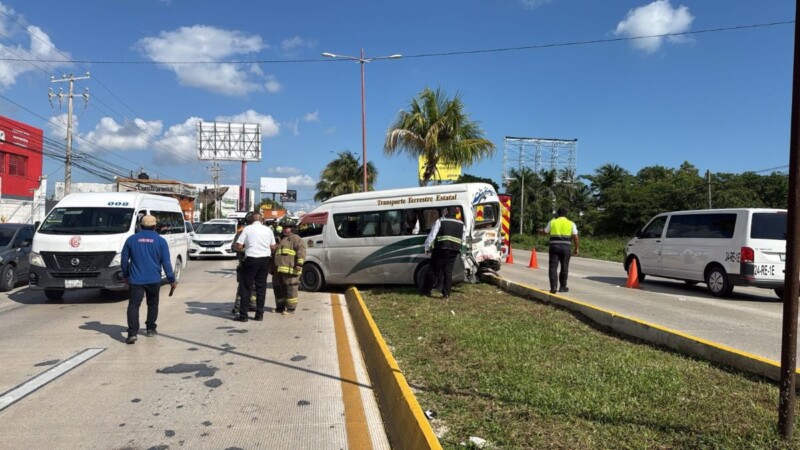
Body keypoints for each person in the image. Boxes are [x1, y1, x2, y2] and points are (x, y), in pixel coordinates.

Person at [121, 214, 177, 344]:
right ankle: (151, 329)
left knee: (134, 305)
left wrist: (125, 275)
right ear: (155, 226)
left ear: (140, 225)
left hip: (136, 279)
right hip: (153, 279)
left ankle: (132, 334)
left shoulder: (131, 240)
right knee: (152, 304)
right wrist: (171, 279)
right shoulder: (160, 241)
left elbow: (124, 260)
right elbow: (166, 262)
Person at [233, 213, 275, 322]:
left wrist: (247, 247)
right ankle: (259, 314)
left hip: (251, 259)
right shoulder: (268, 230)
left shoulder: (247, 229)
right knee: (261, 288)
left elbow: (238, 246)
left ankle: (243, 315)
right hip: (264, 260)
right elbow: (273, 246)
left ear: (251, 220)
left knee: (246, 287)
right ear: (262, 220)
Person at [422, 207, 465, 299]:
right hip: (454, 250)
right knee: (448, 271)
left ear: (446, 212)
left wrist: (426, 247)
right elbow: (463, 238)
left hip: (441, 249)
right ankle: (446, 294)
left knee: (433, 270)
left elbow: (432, 235)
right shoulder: (461, 224)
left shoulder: (441, 221)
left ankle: (426, 291)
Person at [541, 206, 580, 294]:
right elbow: (575, 237)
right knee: (564, 267)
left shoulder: (552, 222)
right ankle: (563, 287)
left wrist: (540, 232)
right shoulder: (571, 223)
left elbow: (546, 232)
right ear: (566, 214)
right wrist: (576, 248)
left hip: (554, 247)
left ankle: (553, 287)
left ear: (557, 214)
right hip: (566, 248)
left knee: (553, 267)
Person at [270, 223, 306, 315]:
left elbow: (301, 251)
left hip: (290, 269)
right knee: (278, 288)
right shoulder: (279, 239)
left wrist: (299, 264)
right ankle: (280, 307)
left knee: (290, 289)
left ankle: (290, 309)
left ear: (292, 229)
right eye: (284, 227)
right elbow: (273, 254)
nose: (285, 229)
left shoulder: (296, 238)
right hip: (278, 270)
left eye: (288, 228)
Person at [231, 213, 257, 315]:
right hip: (244, 264)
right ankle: (238, 307)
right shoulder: (242, 232)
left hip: (256, 263)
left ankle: (252, 305)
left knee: (254, 287)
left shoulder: (260, 231)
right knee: (242, 287)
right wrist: (245, 249)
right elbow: (234, 247)